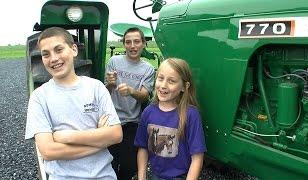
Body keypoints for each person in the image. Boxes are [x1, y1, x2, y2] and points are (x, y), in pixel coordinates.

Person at [25, 27, 123, 180]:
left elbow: (116, 135)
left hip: (104, 176)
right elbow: (48, 151)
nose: (53, 59)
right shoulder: (39, 97)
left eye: (59, 50)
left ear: (74, 49)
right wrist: (100, 141)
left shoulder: (96, 87)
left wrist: (66, 137)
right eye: (46, 54)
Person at [134, 58, 207, 180]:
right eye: (160, 78)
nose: (163, 85)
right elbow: (143, 148)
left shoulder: (191, 114)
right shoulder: (148, 112)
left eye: (171, 81)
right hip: (154, 176)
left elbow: (197, 157)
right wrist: (142, 177)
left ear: (184, 86)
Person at [105, 27, 155, 180]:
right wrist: (111, 84)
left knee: (129, 166)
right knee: (108, 164)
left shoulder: (148, 69)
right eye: (128, 42)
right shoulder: (114, 61)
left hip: (132, 123)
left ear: (143, 44)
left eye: (136, 42)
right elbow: (104, 93)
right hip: (111, 122)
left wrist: (131, 91)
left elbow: (145, 97)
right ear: (124, 44)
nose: (132, 46)